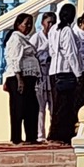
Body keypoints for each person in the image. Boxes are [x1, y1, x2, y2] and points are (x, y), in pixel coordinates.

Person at [45, 2, 84, 142]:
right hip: (66, 70)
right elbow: (71, 53)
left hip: (54, 70)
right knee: (66, 105)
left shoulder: (53, 29)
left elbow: (52, 50)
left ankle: (54, 133)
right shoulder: (67, 31)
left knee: (57, 104)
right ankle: (62, 134)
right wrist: (78, 73)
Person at [3, 12, 41, 144]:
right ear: (18, 24)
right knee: (19, 108)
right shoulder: (16, 38)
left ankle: (31, 136)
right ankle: (16, 137)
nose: (29, 26)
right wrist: (19, 79)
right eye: (26, 24)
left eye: (31, 24)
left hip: (28, 77)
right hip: (19, 77)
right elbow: (14, 59)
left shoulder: (24, 39)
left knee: (31, 107)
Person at [34, 9, 57, 137]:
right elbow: (32, 54)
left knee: (53, 107)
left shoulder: (56, 36)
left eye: (53, 23)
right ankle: (40, 134)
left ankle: (53, 133)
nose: (50, 25)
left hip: (52, 73)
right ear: (43, 23)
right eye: (48, 22)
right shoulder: (36, 37)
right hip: (40, 74)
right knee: (40, 107)